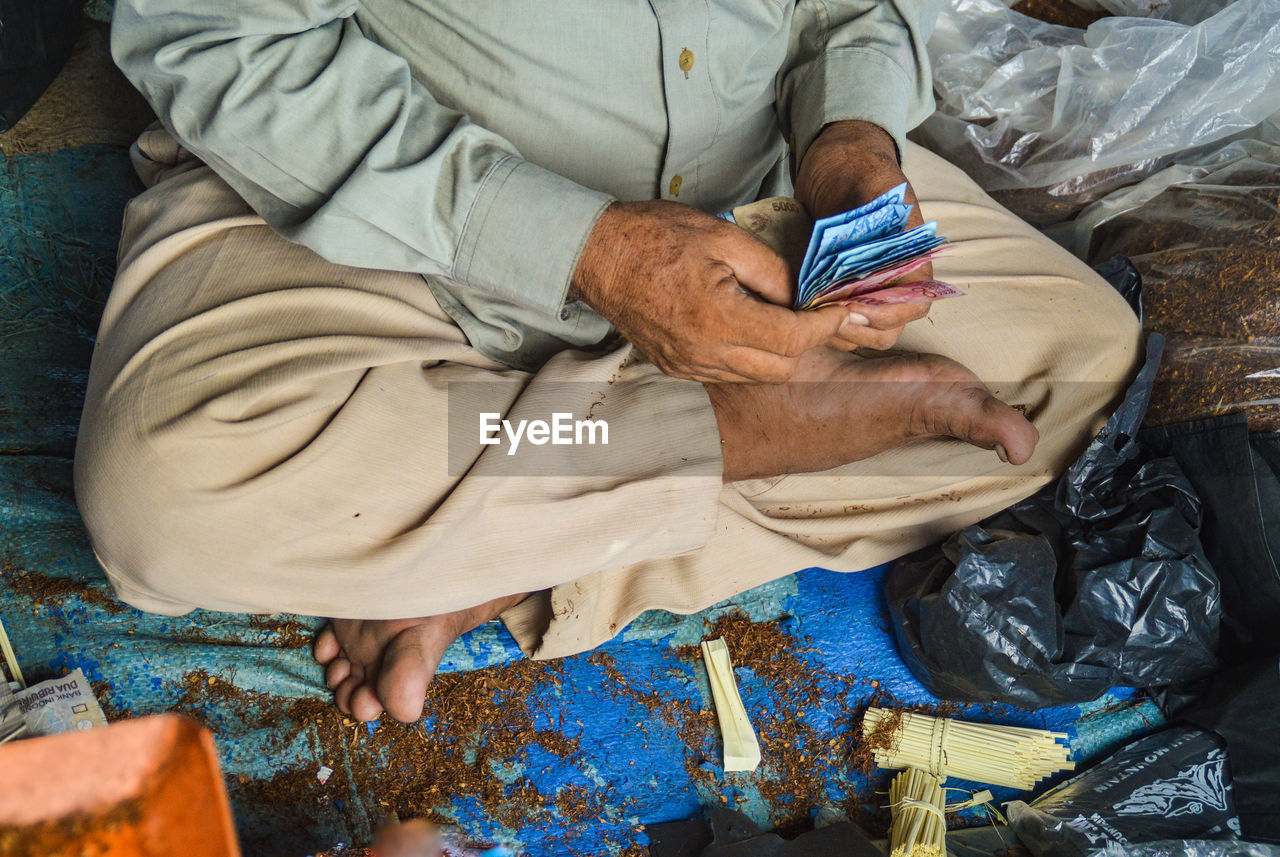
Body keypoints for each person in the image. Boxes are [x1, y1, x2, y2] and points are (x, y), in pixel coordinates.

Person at [77, 0, 1142, 725]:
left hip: (751, 210)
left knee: (1077, 371)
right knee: (167, 497)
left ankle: (483, 556)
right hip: (378, 224)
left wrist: (847, 143)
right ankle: (750, 429)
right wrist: (580, 248)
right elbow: (216, 37)